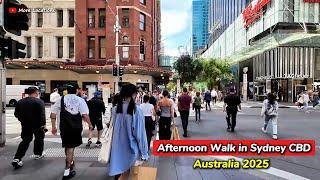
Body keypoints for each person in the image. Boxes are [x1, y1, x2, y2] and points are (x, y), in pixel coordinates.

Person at [50, 83, 93, 180]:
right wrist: (90, 124)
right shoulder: (80, 100)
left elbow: (53, 114)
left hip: (64, 127)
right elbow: (85, 115)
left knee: (67, 145)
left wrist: (53, 127)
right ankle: (67, 170)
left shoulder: (60, 99)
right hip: (76, 127)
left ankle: (70, 162)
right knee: (70, 148)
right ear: (77, 90)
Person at [109, 84, 149, 180]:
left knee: (120, 174)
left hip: (116, 149)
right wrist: (144, 152)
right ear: (134, 94)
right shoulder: (136, 110)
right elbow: (140, 135)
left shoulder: (115, 109)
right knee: (130, 175)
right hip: (131, 149)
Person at [12, 87, 46, 169]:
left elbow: (16, 114)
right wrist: (43, 125)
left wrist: (22, 120)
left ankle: (17, 158)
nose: (38, 93)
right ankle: (38, 154)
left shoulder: (20, 102)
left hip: (25, 124)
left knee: (25, 140)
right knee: (39, 138)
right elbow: (42, 115)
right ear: (35, 92)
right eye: (37, 91)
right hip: (37, 125)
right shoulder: (39, 102)